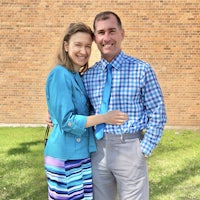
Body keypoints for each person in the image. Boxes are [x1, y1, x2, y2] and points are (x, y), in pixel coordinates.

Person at [81, 11, 167, 200]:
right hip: (97, 150)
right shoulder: (88, 76)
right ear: (95, 38)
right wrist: (53, 115)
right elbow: (82, 112)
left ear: (122, 34)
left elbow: (158, 112)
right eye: (101, 32)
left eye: (112, 31)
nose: (107, 38)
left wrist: (143, 150)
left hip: (129, 147)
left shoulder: (141, 70)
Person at [44, 22, 128, 200]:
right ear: (66, 46)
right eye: (78, 45)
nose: (83, 50)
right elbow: (68, 121)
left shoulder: (77, 76)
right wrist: (104, 118)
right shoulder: (60, 74)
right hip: (64, 156)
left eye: (88, 46)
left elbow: (68, 109)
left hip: (80, 154)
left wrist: (53, 113)